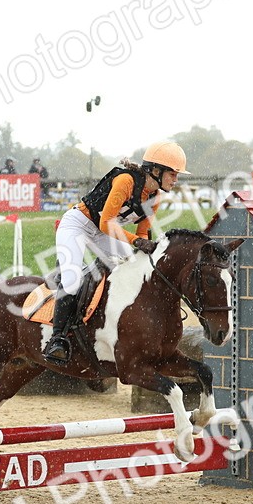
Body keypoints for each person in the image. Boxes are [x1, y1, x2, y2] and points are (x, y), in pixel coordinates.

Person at [41, 140, 188, 365]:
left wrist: (144, 251)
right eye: (173, 174)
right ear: (156, 171)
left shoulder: (155, 198)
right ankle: (57, 339)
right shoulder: (126, 181)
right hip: (78, 225)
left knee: (133, 265)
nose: (175, 179)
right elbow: (106, 222)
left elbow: (142, 233)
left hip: (104, 233)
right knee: (72, 280)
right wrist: (137, 242)